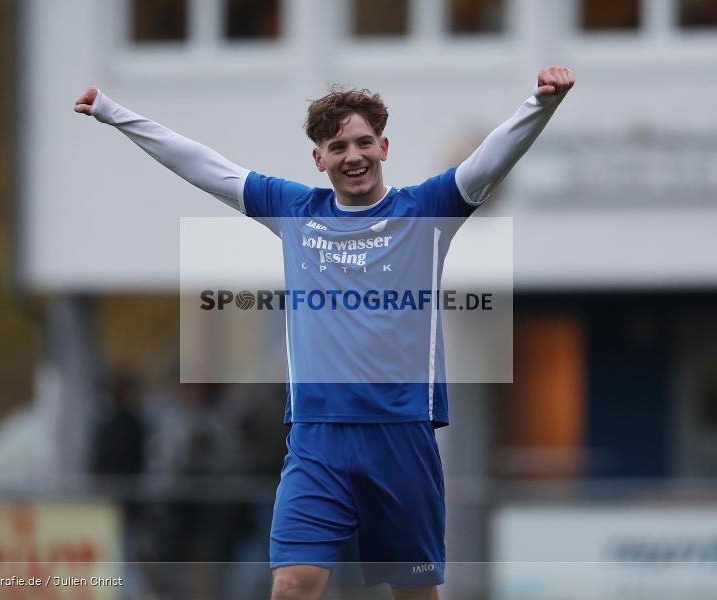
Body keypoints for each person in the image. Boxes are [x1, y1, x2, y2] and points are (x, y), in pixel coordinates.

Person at [74, 66, 574, 600]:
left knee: (413, 592)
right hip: (317, 441)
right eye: (338, 147)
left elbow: (490, 160)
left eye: (363, 142)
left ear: (383, 147)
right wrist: (114, 113)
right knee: (292, 583)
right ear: (319, 159)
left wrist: (541, 103)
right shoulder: (295, 211)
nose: (353, 156)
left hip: (401, 436)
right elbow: (204, 166)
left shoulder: (425, 211)